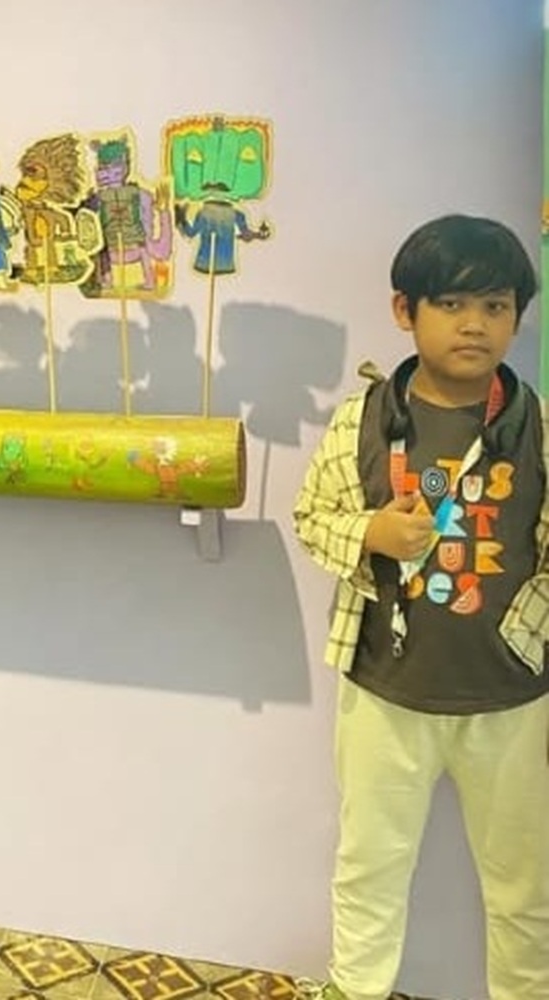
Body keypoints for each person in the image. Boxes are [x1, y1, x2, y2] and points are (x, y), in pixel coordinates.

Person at [292, 214, 549, 1000]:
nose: (474, 324)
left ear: (517, 317)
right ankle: (354, 989)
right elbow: (310, 516)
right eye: (450, 303)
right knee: (368, 867)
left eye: (495, 306)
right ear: (404, 310)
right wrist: (369, 531)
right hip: (384, 689)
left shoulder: (538, 426)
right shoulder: (362, 419)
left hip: (512, 697)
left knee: (525, 887)